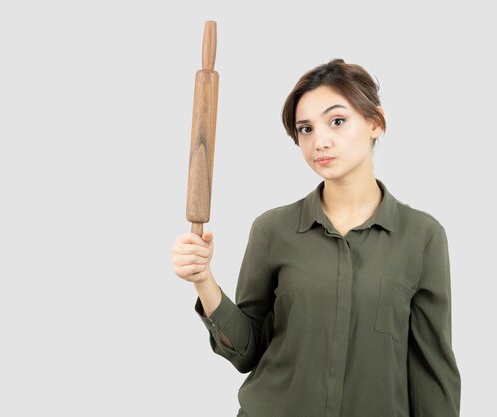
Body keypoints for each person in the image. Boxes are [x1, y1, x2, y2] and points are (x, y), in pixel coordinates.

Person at [171, 58, 461, 417]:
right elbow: (246, 352)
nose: (319, 141)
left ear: (375, 122)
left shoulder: (422, 236)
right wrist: (204, 280)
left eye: (337, 121)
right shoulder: (272, 229)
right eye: (305, 129)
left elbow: (432, 372)